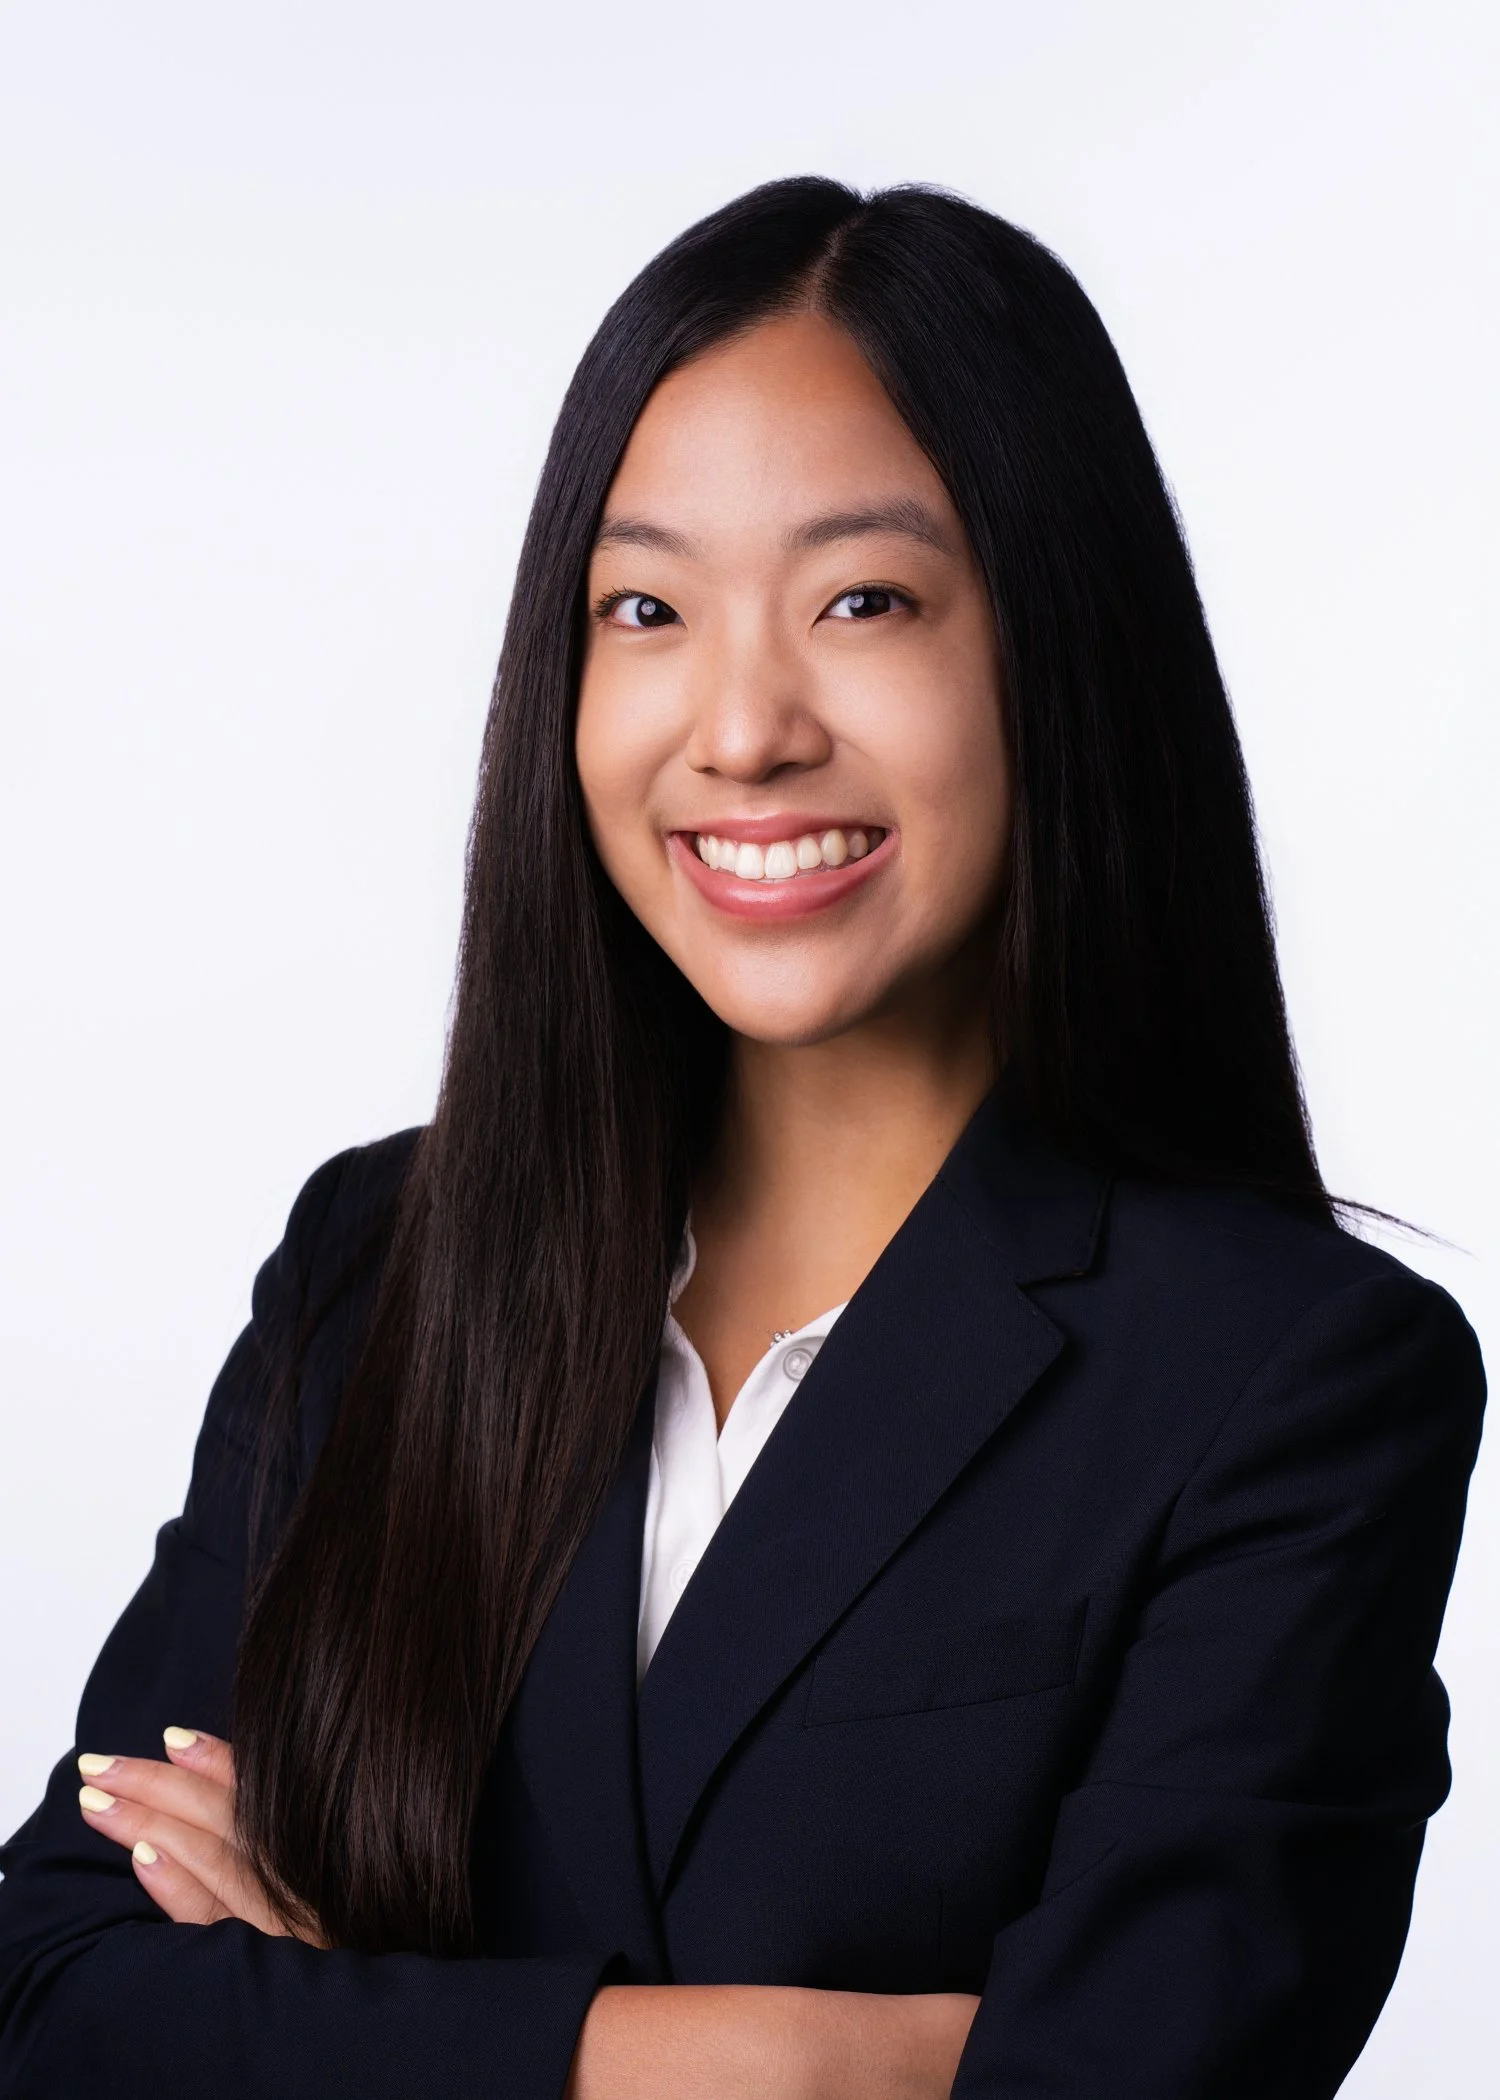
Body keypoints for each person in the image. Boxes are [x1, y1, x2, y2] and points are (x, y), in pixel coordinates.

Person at [0, 176, 1484, 2100]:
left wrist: (347, 2019)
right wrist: (799, 2061)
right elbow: (57, 2000)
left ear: (1060, 642)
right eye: (647, 609)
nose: (744, 727)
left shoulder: (1289, 1375)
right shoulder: (378, 1271)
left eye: (865, 601)